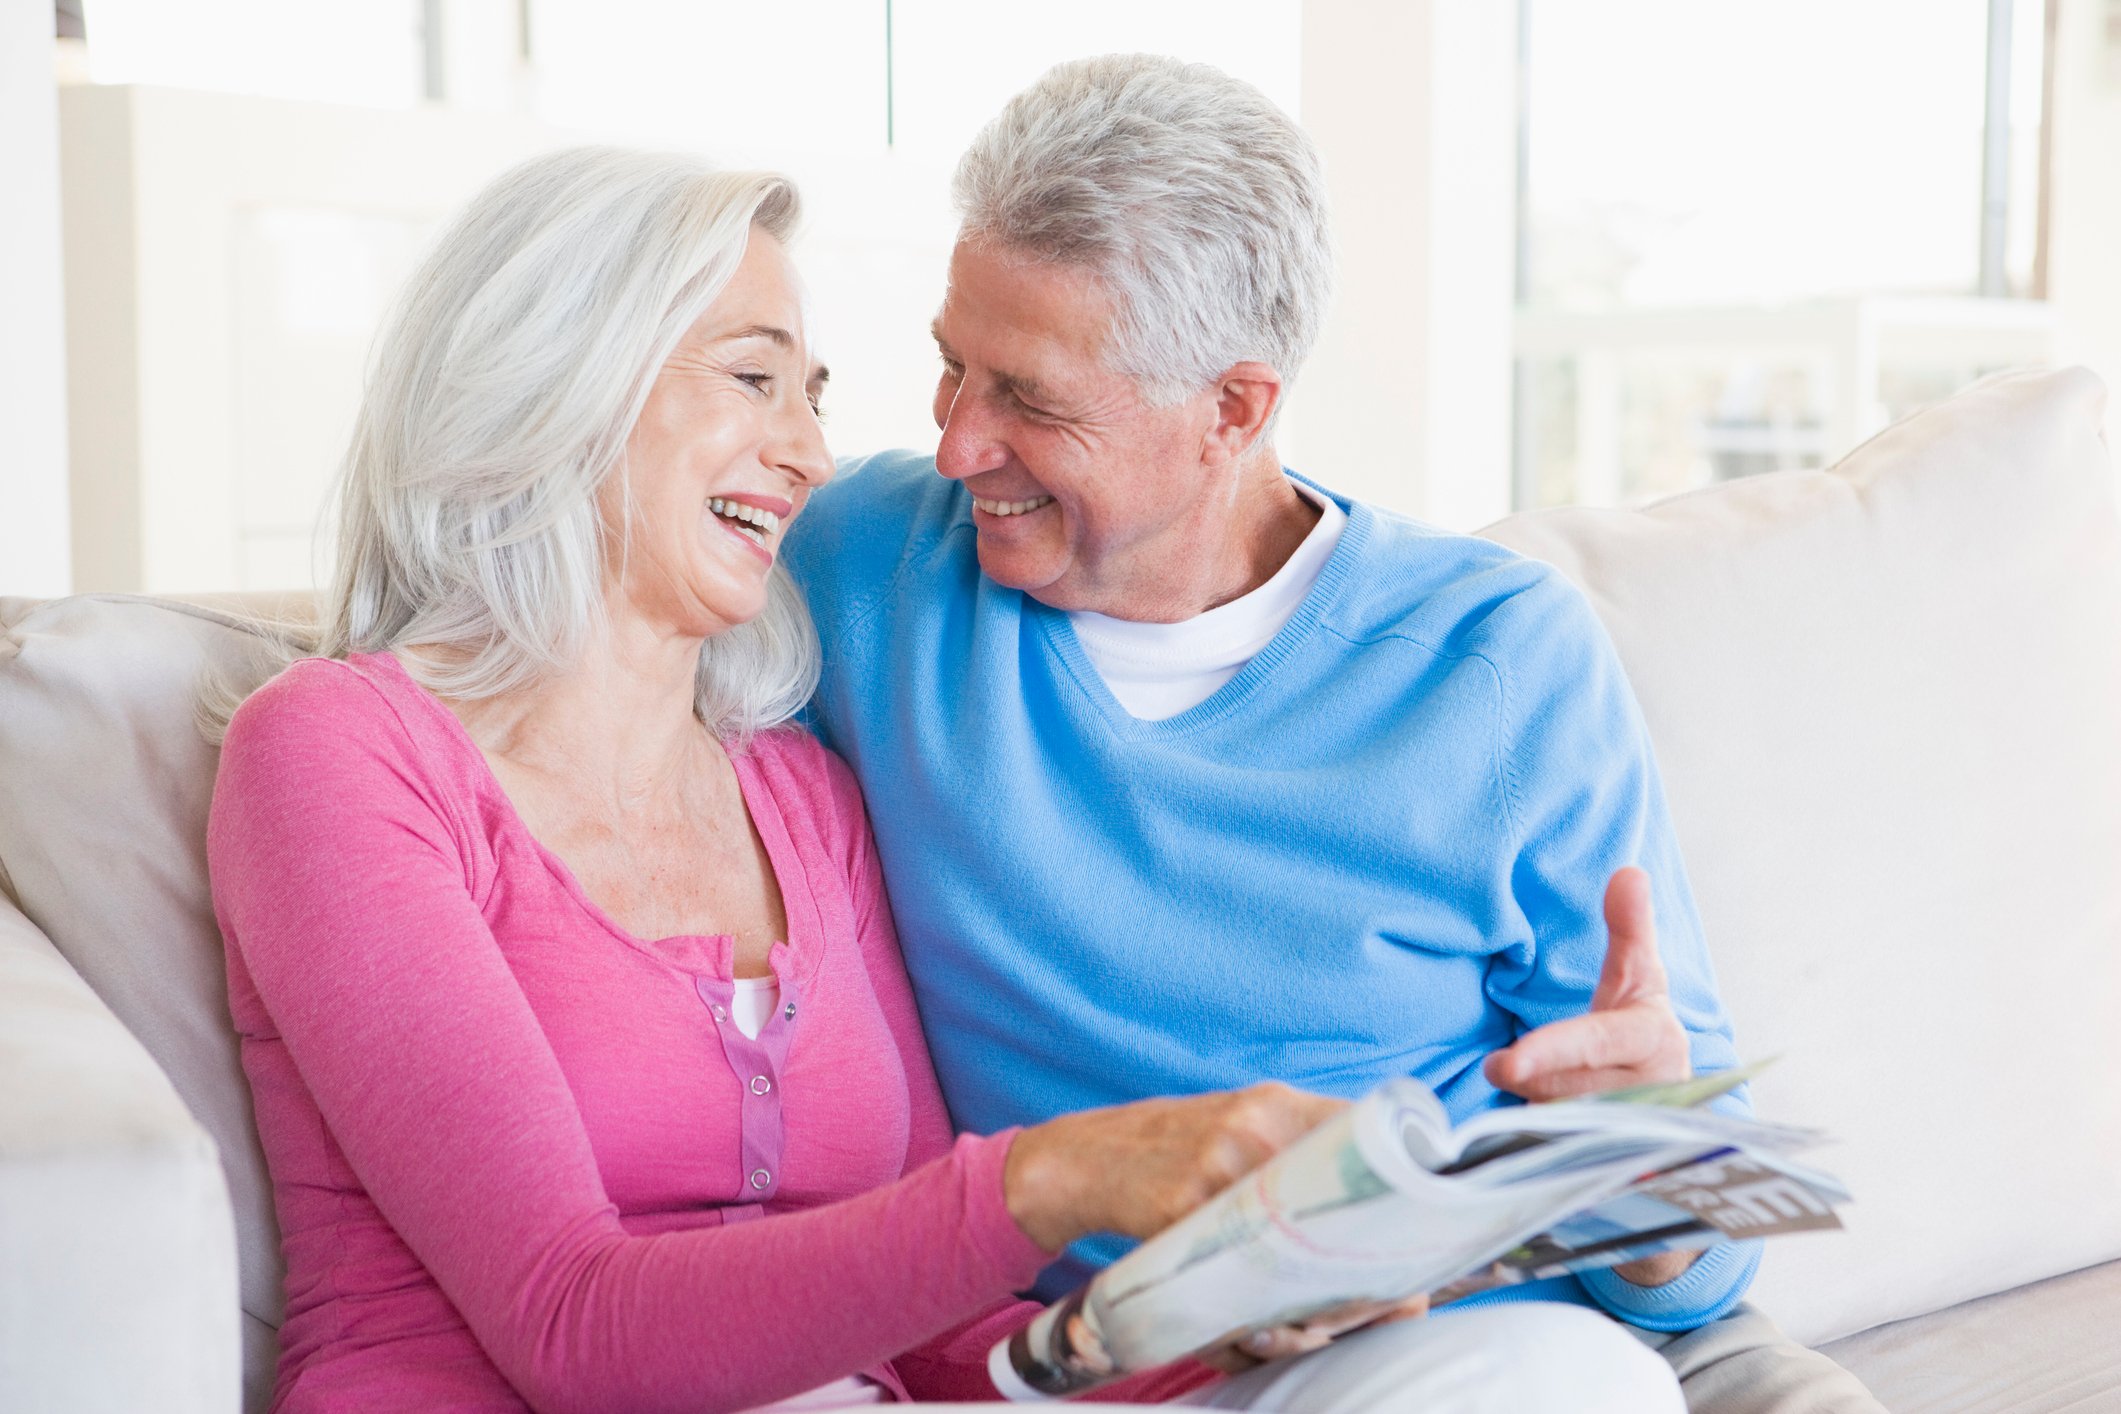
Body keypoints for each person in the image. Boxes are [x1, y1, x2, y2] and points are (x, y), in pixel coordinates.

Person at [206, 145, 1682, 1412]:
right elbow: (574, 1325)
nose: (811, 453)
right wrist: (1053, 1176)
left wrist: (1210, 1324)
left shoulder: (799, 794)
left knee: (1572, 1379)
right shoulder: (343, 753)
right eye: (751, 378)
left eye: (813, 391)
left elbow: (930, 1331)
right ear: (554, 388)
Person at [779, 54, 1883, 1414]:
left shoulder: (1497, 661)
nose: (956, 444)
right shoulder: (858, 561)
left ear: (1232, 410)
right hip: (1061, 1355)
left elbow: (1691, 1274)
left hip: (1422, 1347)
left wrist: (1639, 1156)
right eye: (951, 370)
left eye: (1031, 401)